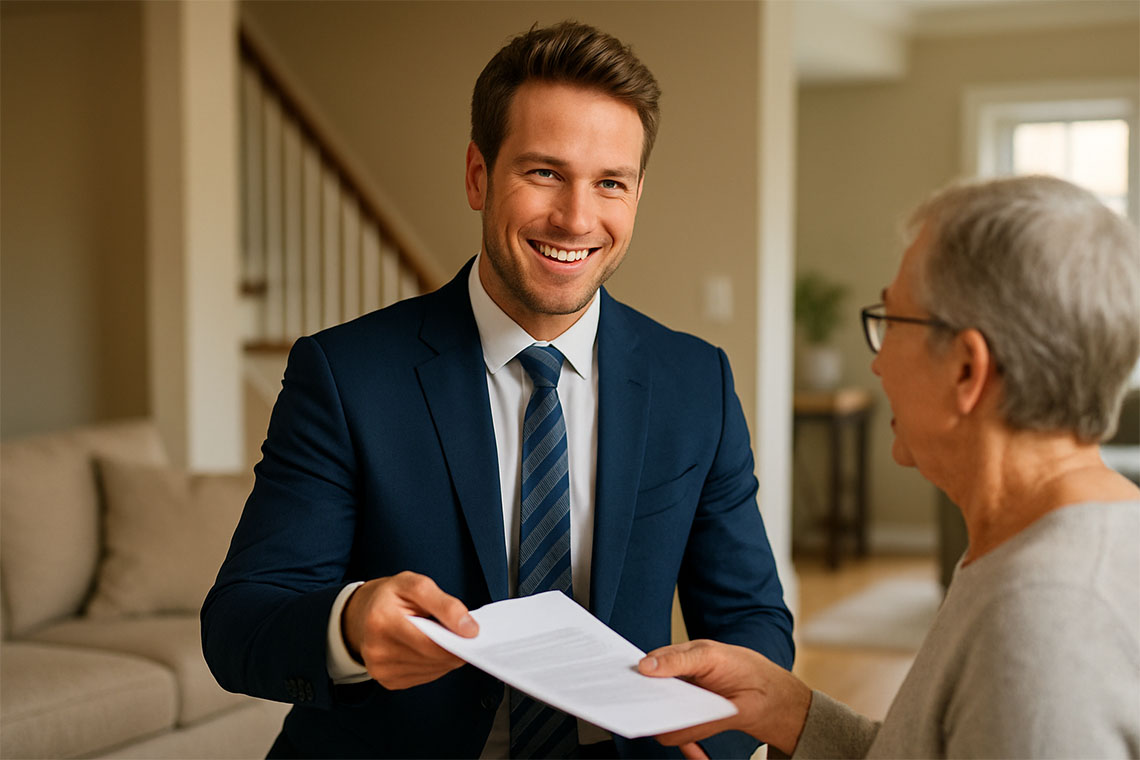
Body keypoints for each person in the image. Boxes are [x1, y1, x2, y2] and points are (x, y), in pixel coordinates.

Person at [201, 20, 794, 760]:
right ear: (479, 175)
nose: (577, 219)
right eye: (544, 173)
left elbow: (752, 620)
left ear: (637, 192)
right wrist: (351, 625)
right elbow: (240, 624)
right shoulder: (345, 375)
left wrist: (718, 743)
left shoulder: (694, 381)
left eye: (610, 182)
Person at [638, 174, 1140, 759]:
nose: (877, 366)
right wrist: (793, 711)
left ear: (965, 371)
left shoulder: (1045, 623)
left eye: (893, 321)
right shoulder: (1044, 547)